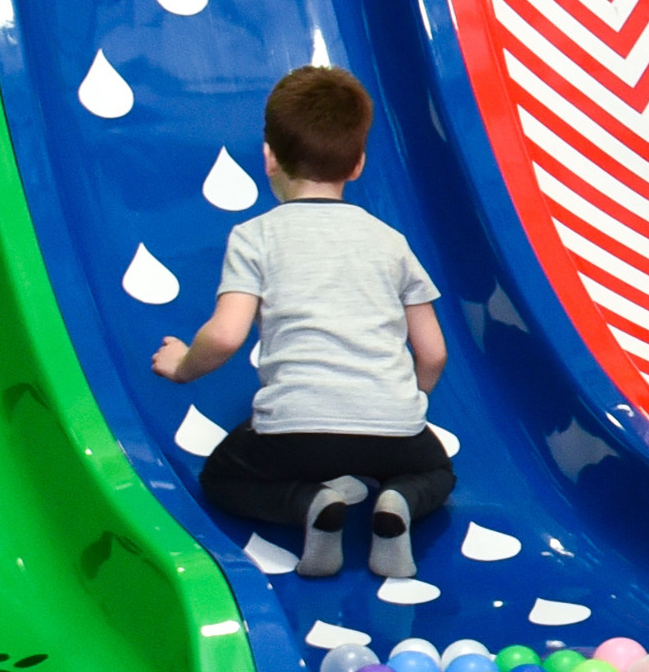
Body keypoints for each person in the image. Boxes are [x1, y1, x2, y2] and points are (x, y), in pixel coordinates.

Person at [153, 68, 455, 581]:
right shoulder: (390, 241)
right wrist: (407, 400)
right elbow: (433, 353)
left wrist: (182, 365)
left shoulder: (255, 236)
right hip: (391, 428)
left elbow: (226, 335)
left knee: (222, 478)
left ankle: (309, 503)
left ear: (269, 157)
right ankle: (399, 500)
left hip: (293, 431)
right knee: (435, 472)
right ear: (357, 165)